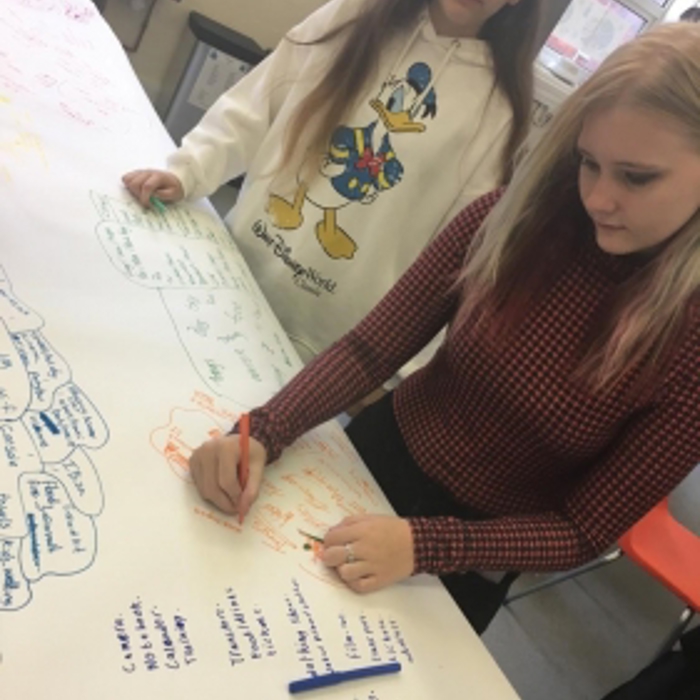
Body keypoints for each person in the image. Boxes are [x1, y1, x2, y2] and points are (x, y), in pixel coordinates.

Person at [188, 21, 700, 634]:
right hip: (373, 457)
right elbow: (371, 348)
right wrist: (262, 430)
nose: (598, 198)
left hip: (473, 556)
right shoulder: (519, 217)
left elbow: (583, 528)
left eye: (636, 177)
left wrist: (426, 547)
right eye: (589, 163)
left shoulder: (689, 341)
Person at [123, 0, 541, 389]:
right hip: (229, 272)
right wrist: (189, 171)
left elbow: (455, 258)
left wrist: (401, 370)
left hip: (325, 353)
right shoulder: (351, 16)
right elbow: (257, 104)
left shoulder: (499, 109)